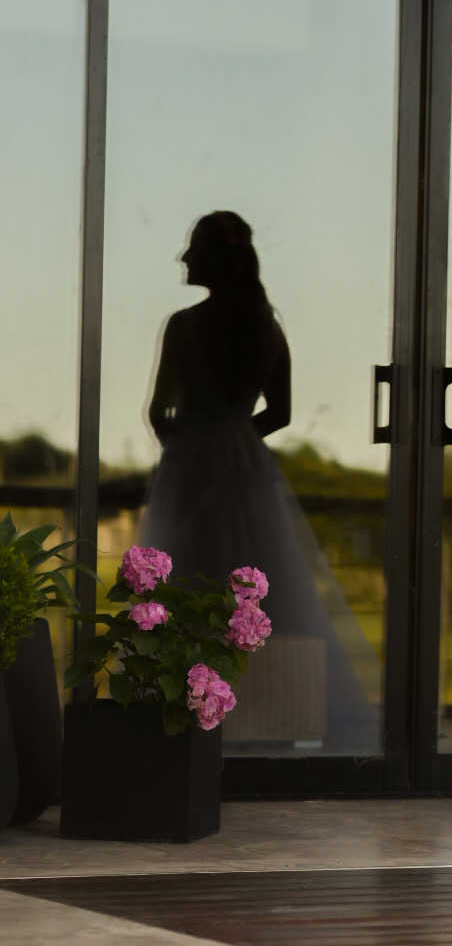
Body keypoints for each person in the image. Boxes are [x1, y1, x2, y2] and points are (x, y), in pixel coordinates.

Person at [141, 210, 379, 755]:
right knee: (264, 590)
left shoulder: (185, 326)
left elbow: (159, 411)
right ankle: (265, 721)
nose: (184, 258)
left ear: (212, 260)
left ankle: (186, 721)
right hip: (245, 471)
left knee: (186, 581)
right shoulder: (264, 327)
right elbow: (282, 411)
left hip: (191, 470)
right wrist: (237, 440)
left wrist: (189, 449)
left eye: (193, 249)